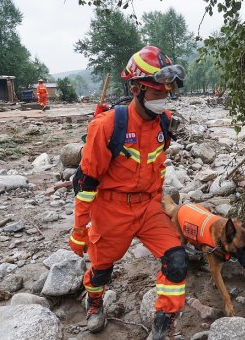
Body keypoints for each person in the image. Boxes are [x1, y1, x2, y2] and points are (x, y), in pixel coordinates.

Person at [69, 46, 187, 340]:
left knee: (177, 261)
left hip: (148, 209)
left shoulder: (164, 122)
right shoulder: (107, 125)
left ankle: (162, 325)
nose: (164, 98)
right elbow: (87, 183)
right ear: (136, 88)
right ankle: (94, 302)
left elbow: (157, 165)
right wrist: (79, 229)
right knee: (100, 271)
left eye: (167, 91)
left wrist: (162, 204)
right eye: (158, 92)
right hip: (111, 211)